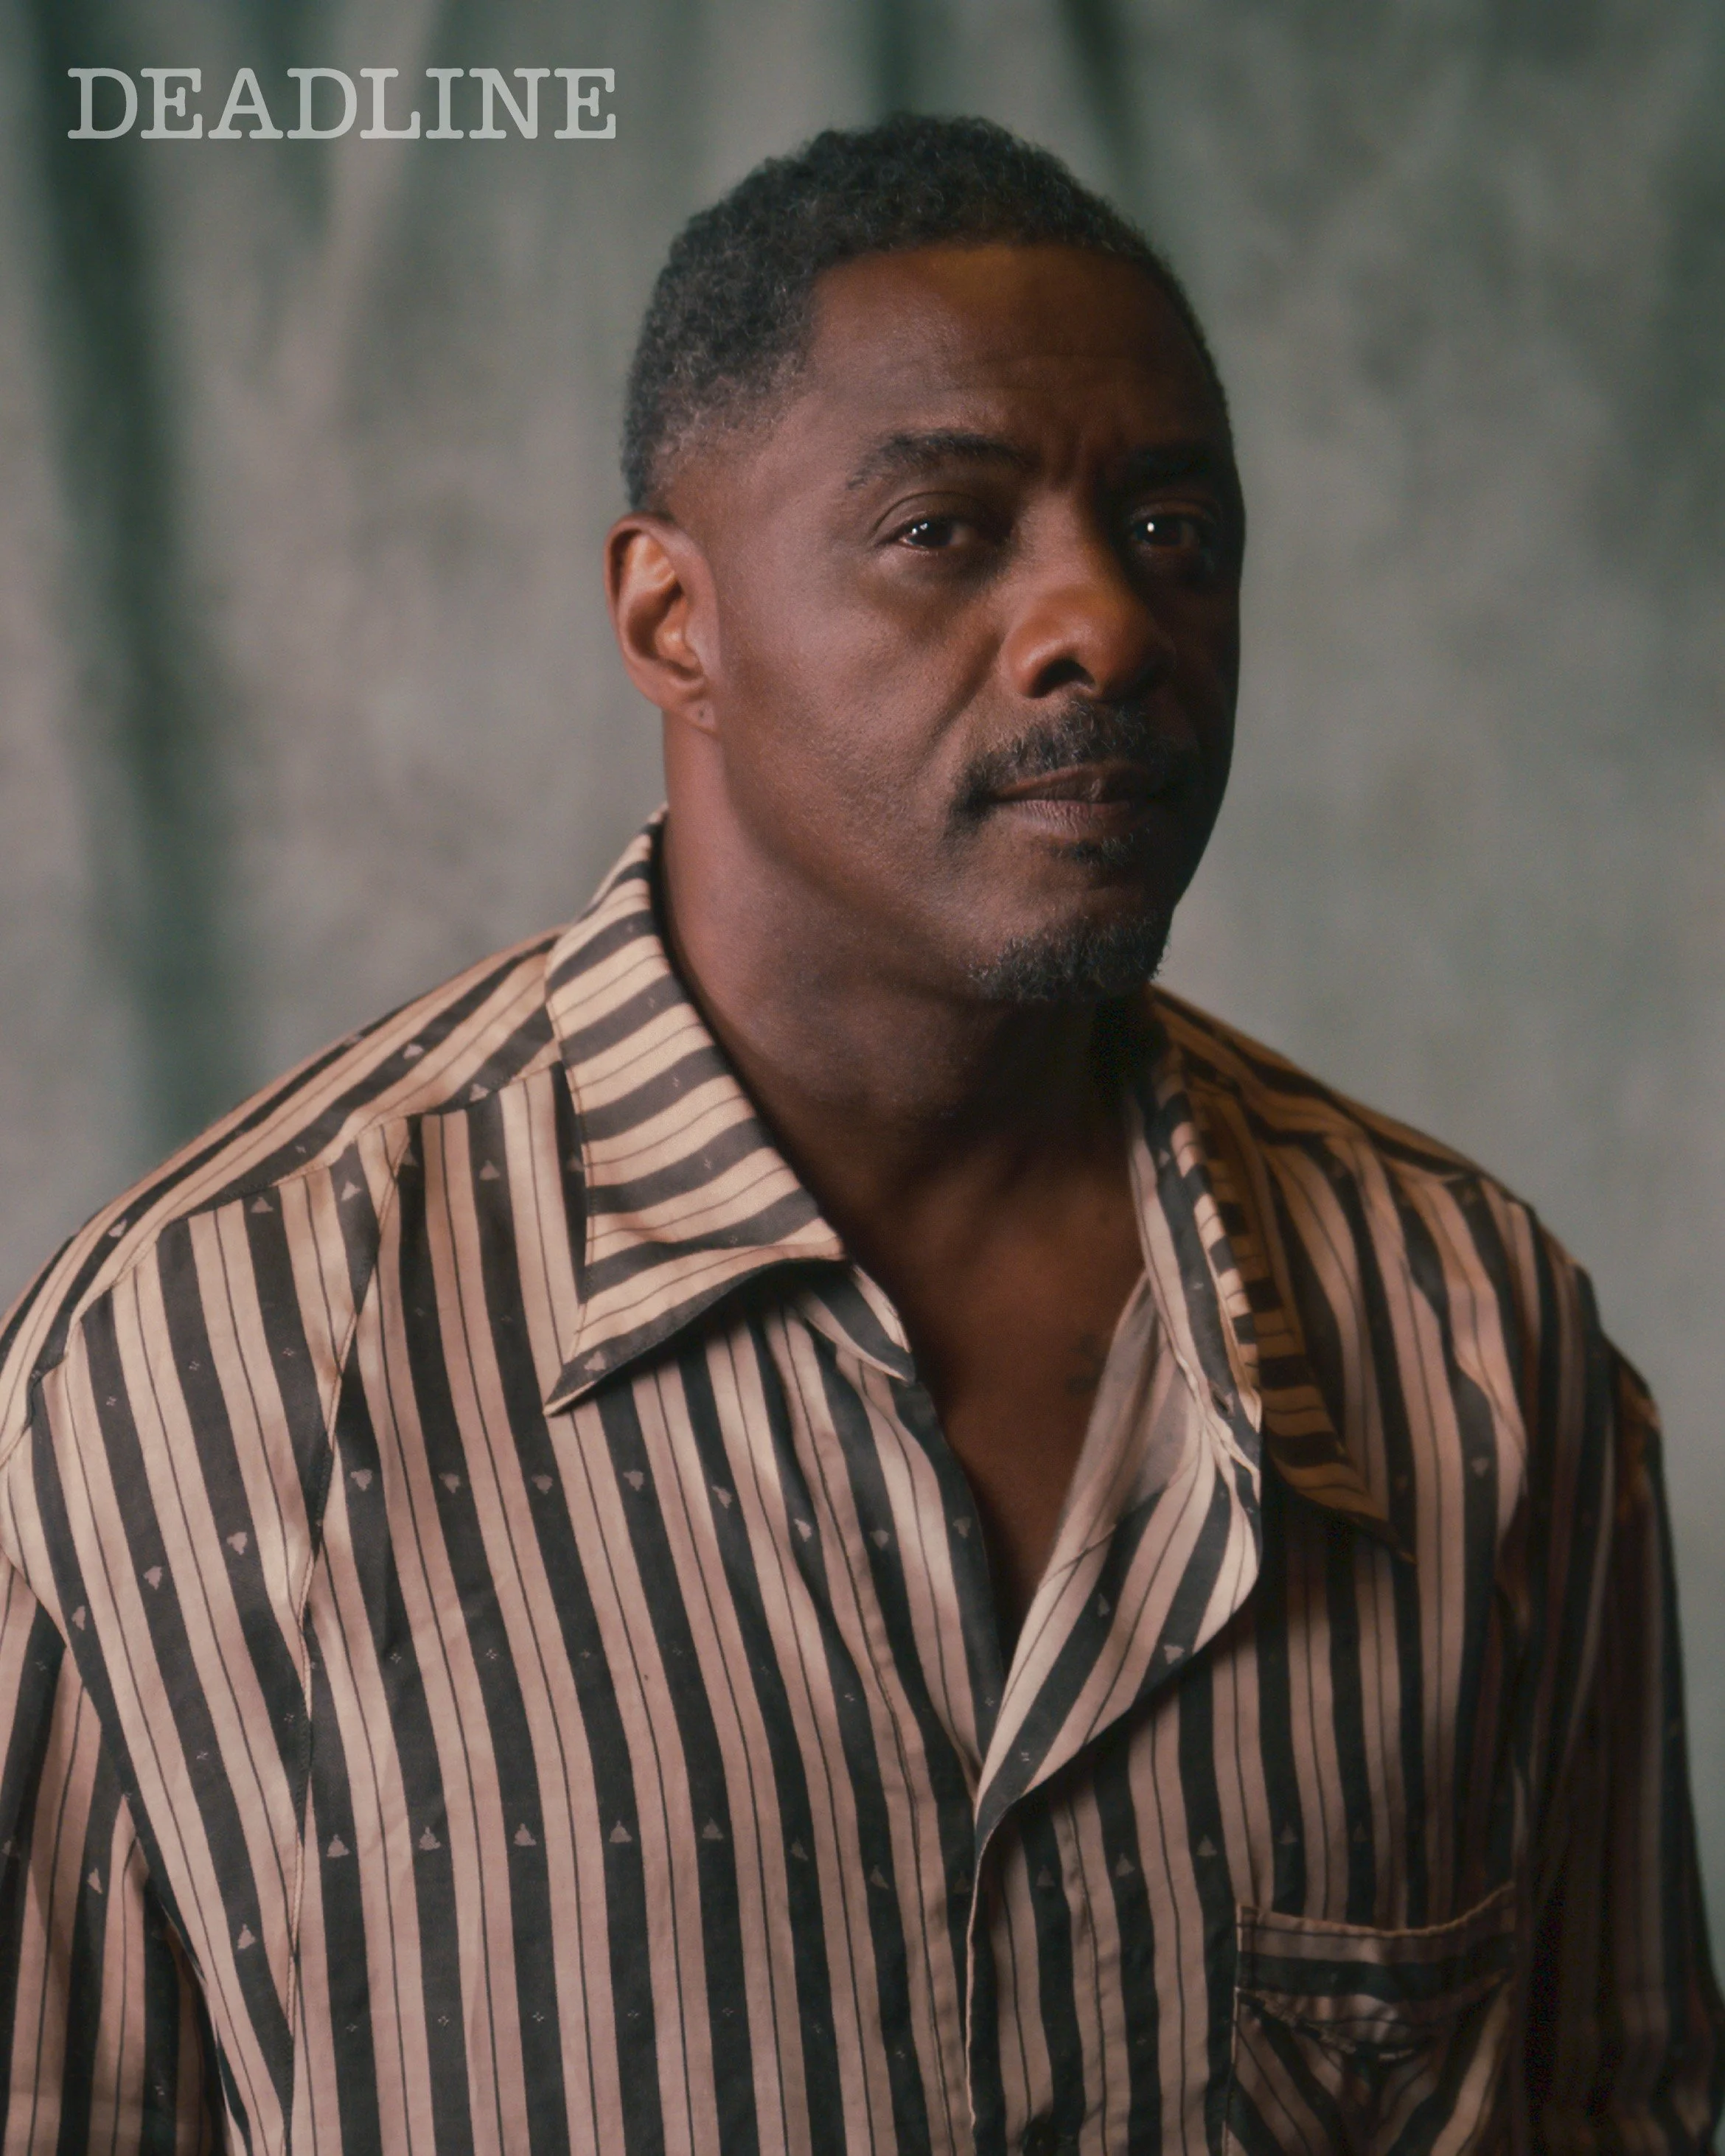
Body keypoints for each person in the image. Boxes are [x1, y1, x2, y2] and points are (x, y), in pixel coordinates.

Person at [0, 113, 1717, 2156]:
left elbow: (1621, 2105)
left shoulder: (1477, 1347)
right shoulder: (203, 1372)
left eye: (1170, 527)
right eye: (943, 529)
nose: (1103, 622)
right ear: (674, 620)